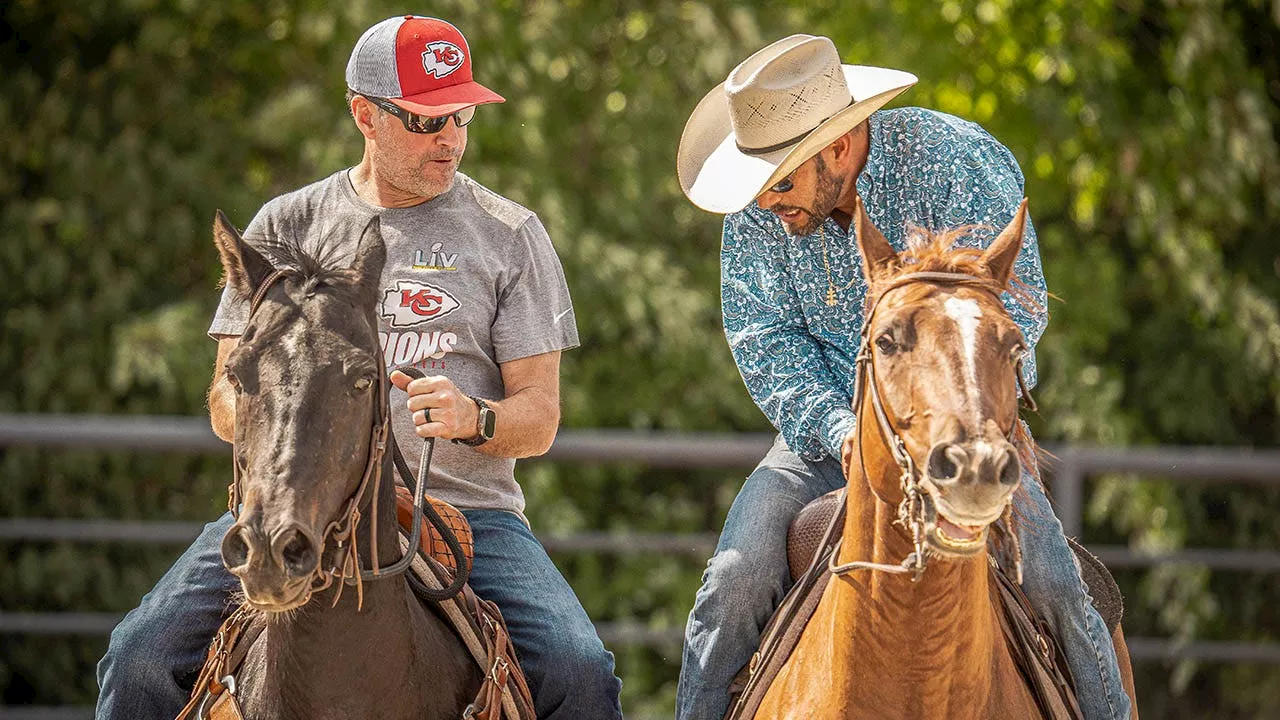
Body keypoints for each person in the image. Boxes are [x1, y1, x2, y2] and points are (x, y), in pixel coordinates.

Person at [94, 15, 623, 720]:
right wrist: (268, 409)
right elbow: (225, 393)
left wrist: (477, 416)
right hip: (289, 505)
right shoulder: (283, 227)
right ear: (364, 115)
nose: (452, 138)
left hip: (468, 514)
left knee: (579, 670)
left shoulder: (510, 234)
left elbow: (541, 417)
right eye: (426, 119)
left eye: (461, 115)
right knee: (138, 659)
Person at [673, 34, 1131, 720]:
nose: (767, 201)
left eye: (781, 182)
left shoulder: (952, 161)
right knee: (733, 584)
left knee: (1059, 587)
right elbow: (763, 337)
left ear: (836, 145)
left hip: (964, 423)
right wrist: (840, 428)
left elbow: (1012, 306)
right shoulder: (762, 208)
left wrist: (965, 413)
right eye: (761, 184)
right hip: (827, 437)